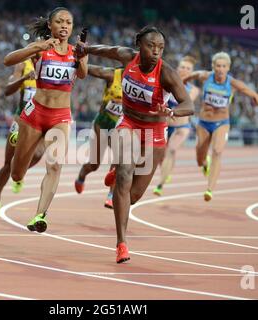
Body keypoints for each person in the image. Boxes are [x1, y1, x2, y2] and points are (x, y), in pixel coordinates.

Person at [76, 26, 194, 263]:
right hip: (128, 123)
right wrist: (85, 48)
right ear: (139, 44)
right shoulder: (128, 57)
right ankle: (121, 244)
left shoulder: (167, 74)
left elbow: (188, 104)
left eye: (160, 48)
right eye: (151, 46)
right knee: (124, 176)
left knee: (135, 195)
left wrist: (171, 110)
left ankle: (115, 172)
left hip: (155, 131)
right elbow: (106, 50)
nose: (156, 52)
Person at [4, 7, 88, 232]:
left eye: (68, 22)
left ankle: (40, 215)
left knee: (55, 166)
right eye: (59, 22)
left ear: (72, 27)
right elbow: (7, 60)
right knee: (17, 173)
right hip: (35, 114)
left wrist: (80, 58)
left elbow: (82, 74)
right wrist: (37, 47)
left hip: (60, 116)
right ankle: (17, 138)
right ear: (50, 26)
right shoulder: (41, 49)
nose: (64, 26)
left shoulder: (77, 51)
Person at [183, 52, 258, 201]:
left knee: (217, 151)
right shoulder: (206, 76)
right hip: (204, 122)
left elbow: (251, 93)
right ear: (213, 66)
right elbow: (194, 75)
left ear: (228, 68)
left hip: (222, 123)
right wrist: (183, 81)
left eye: (224, 66)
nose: (220, 69)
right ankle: (205, 163)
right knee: (199, 158)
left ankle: (209, 189)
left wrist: (255, 98)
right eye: (218, 65)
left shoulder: (233, 83)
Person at [0, 60, 45, 218]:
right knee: (7, 164)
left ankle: (20, 171)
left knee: (38, 154)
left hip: (41, 120)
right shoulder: (23, 64)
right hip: (21, 118)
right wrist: (24, 78)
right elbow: (7, 90)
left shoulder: (52, 62)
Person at [75, 64, 123, 209]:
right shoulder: (113, 75)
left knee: (119, 158)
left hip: (120, 127)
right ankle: (82, 175)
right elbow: (94, 70)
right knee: (94, 165)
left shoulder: (139, 83)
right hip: (102, 124)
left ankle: (111, 195)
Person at [153, 56, 200, 196]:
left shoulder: (194, 90)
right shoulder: (168, 83)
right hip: (164, 125)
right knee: (160, 154)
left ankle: (160, 185)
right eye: (182, 67)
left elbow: (185, 101)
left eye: (188, 68)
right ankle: (166, 171)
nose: (185, 70)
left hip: (182, 127)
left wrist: (181, 82)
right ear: (177, 68)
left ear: (192, 72)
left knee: (171, 151)